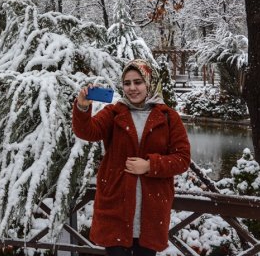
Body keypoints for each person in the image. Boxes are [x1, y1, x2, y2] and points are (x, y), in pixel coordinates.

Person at [72, 59, 190, 255]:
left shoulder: (168, 116)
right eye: (127, 83)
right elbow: (88, 132)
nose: (132, 88)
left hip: (151, 213)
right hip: (116, 208)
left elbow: (182, 158)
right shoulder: (115, 112)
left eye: (138, 82)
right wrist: (83, 108)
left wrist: (150, 165)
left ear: (149, 83)